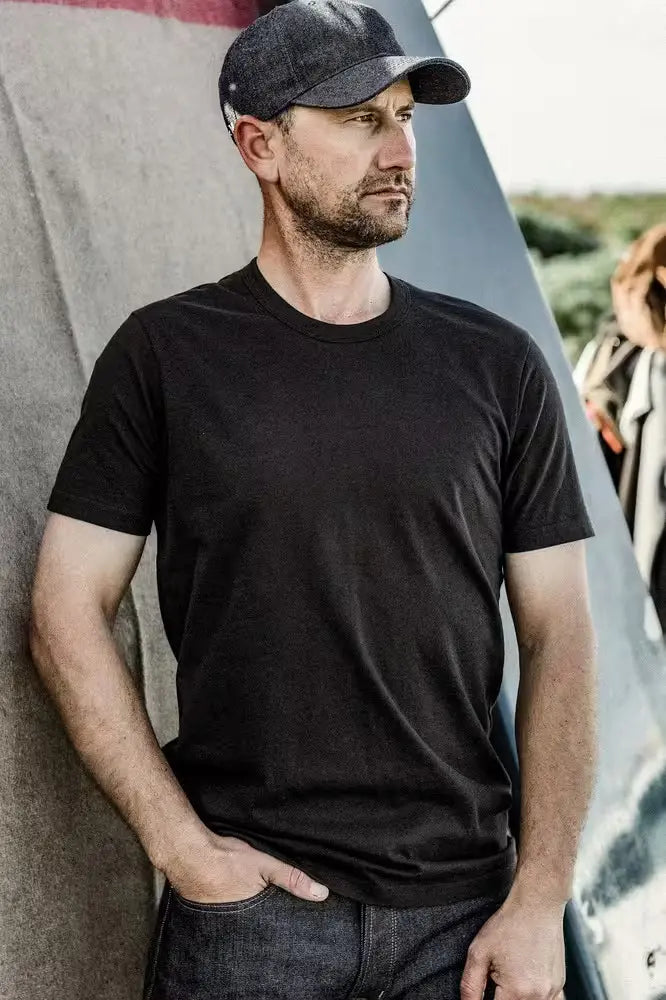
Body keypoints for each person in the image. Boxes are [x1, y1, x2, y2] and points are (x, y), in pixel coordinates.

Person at [29, 2, 598, 998]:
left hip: (462, 923)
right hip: (251, 926)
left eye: (405, 117)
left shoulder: (496, 365)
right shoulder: (163, 358)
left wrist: (540, 895)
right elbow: (64, 610)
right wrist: (183, 850)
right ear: (260, 144)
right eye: (357, 118)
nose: (398, 150)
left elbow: (563, 634)